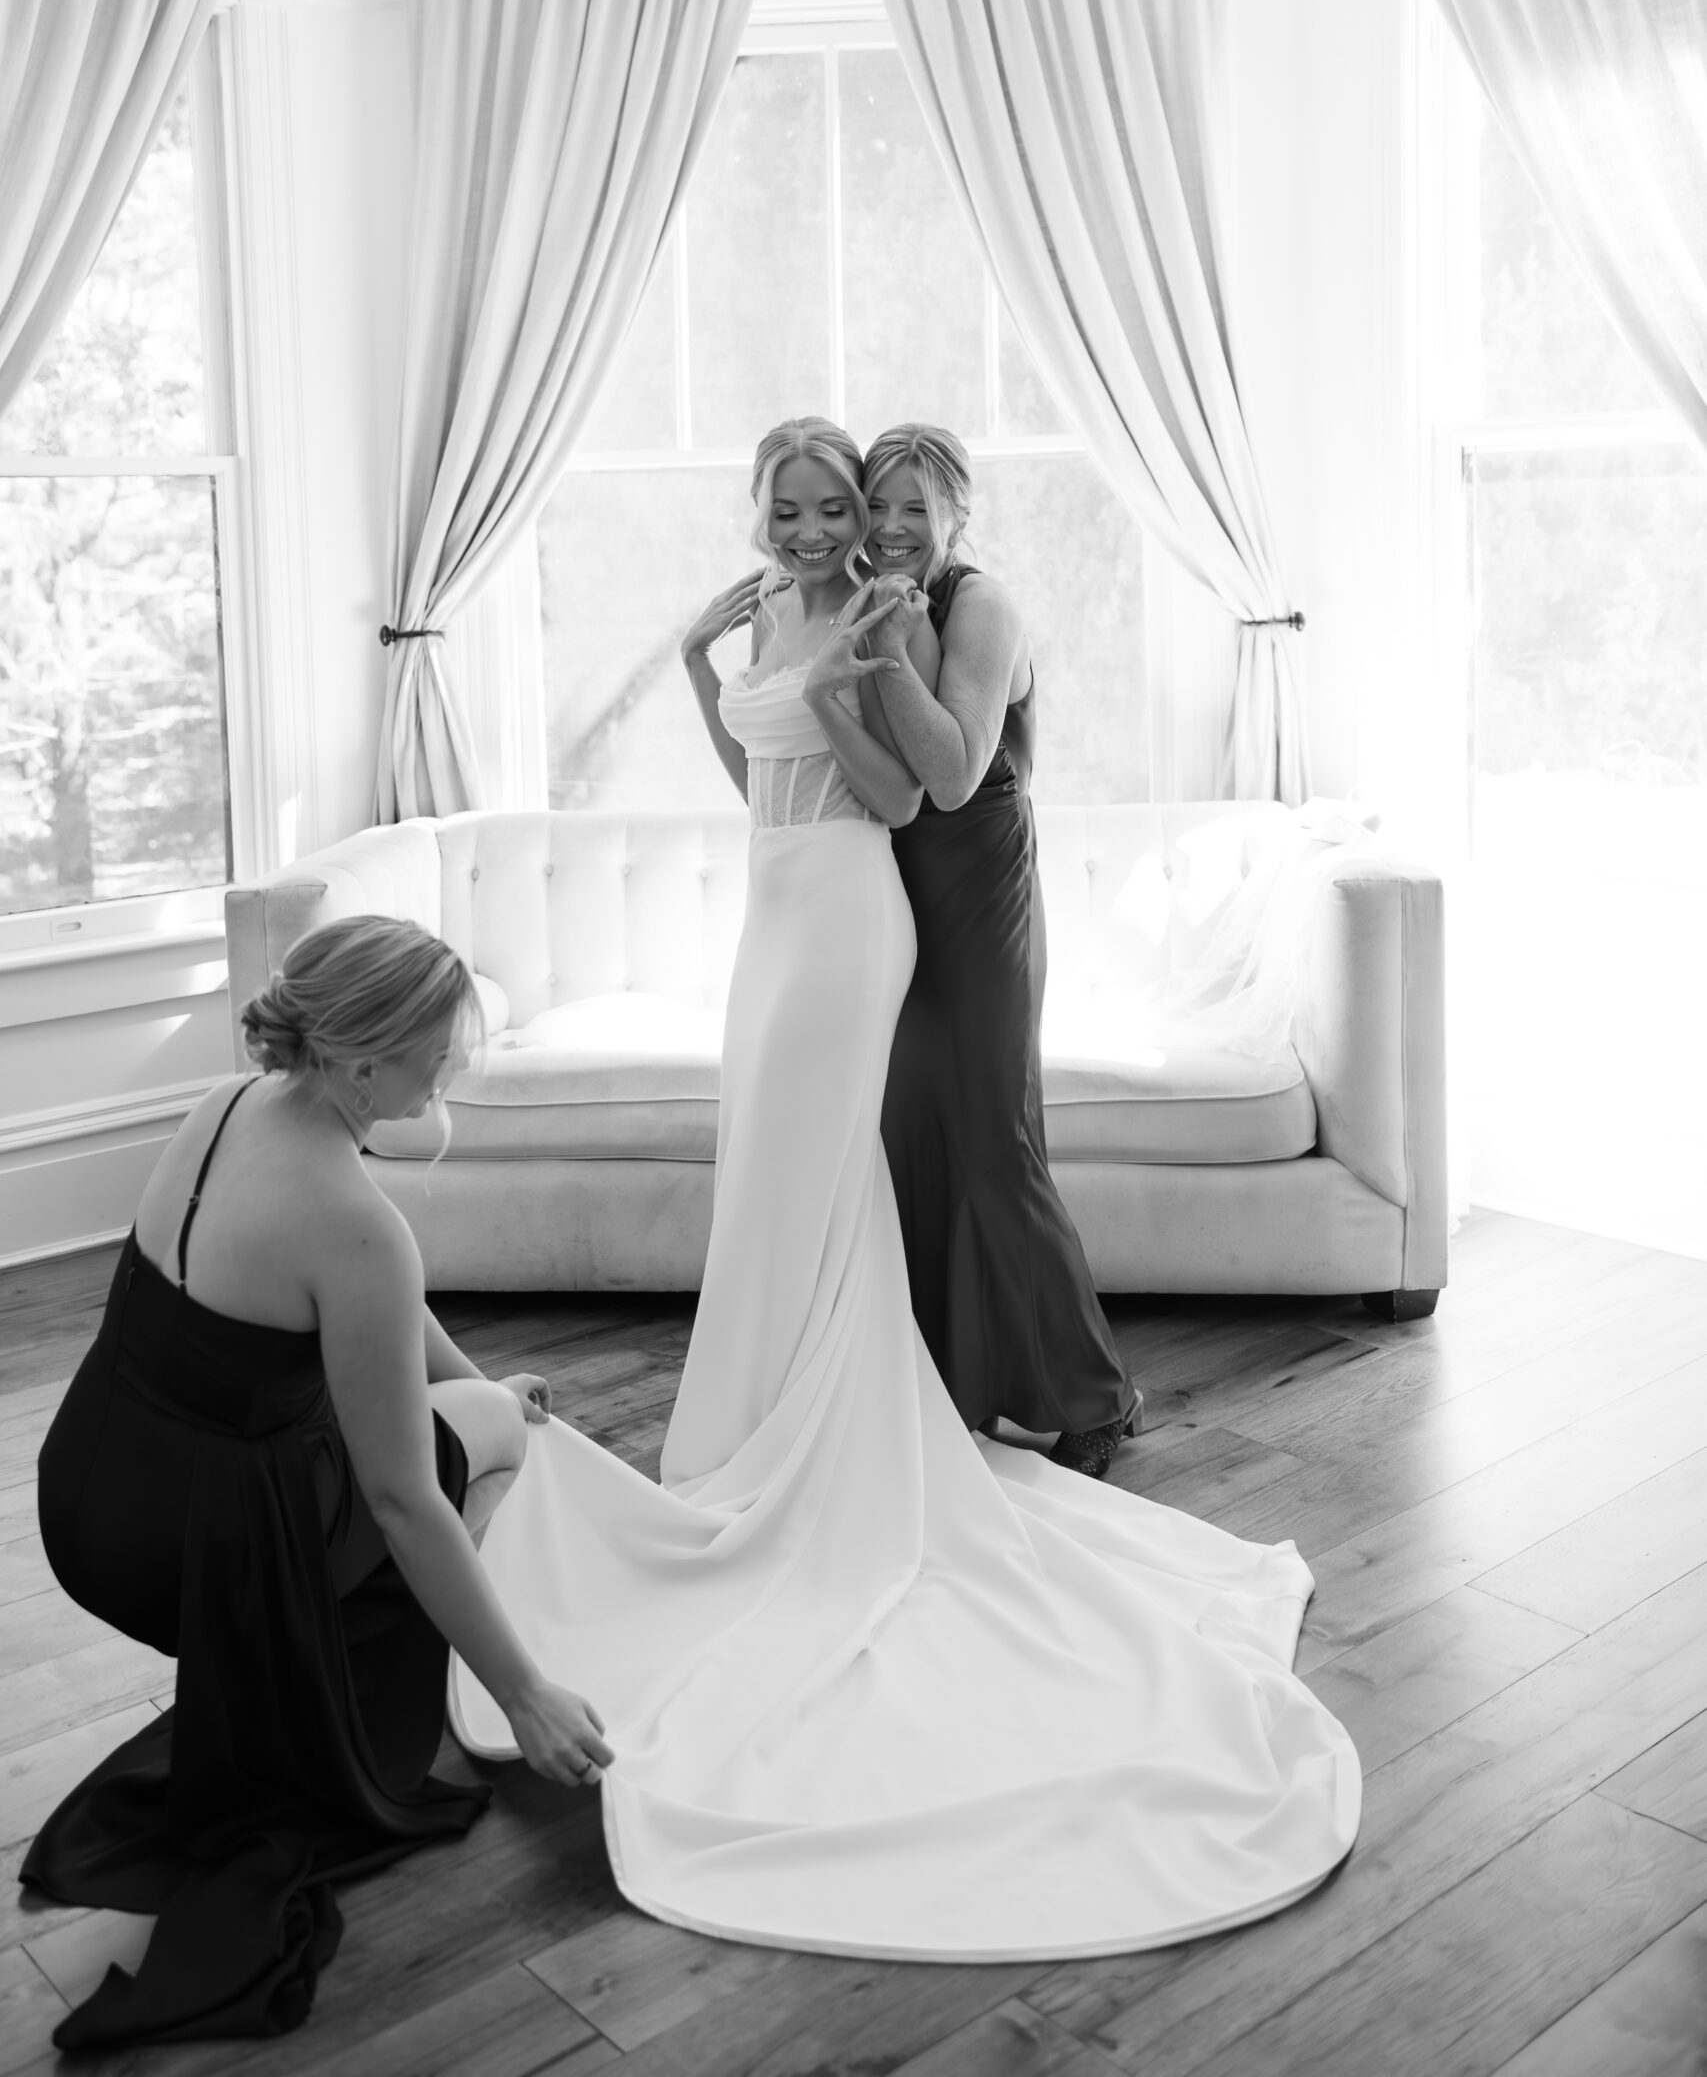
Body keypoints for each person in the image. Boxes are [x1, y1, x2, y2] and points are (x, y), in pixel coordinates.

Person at [448, 415, 1360, 1961]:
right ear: (762, 513)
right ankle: (777, 1420)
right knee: (799, 1182)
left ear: (940, 509)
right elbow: (758, 774)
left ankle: (954, 1410)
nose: (835, 524)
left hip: (881, 902)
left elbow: (905, 797)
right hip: (779, 918)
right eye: (811, 504)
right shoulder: (803, 609)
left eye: (862, 504)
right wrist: (695, 663)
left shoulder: (932, 611)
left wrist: (867, 666)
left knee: (891, 1158)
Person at [23, 917, 611, 2052]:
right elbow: (402, 1496)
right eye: (437, 1050)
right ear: (357, 1062)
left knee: (478, 1405)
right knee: (488, 1444)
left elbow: (382, 1306)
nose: (450, 1069)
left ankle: (364, 1642)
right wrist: (531, 1693)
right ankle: (429, 1675)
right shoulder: (355, 1224)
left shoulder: (226, 1107)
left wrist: (477, 1379)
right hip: (197, 1556)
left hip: (88, 1493)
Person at [860, 422, 1138, 1477]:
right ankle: (948, 1383)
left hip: (979, 904)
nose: (891, 526)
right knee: (909, 1137)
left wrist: (883, 647)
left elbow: (953, 774)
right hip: (893, 907)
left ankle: (1098, 1393)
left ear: (956, 516)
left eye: (913, 508)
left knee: (992, 1142)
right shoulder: (874, 601)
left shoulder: (983, 605)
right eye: (875, 503)